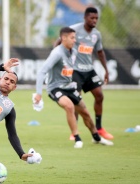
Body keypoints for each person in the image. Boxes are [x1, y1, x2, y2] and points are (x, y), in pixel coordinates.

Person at [34, 27, 113, 149]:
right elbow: (41, 72)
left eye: (75, 37)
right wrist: (38, 93)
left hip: (69, 87)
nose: (74, 40)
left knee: (85, 113)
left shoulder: (74, 51)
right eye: (72, 37)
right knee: (69, 106)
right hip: (55, 88)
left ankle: (96, 137)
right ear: (64, 38)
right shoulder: (57, 53)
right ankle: (77, 138)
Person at [55, 7, 113, 140]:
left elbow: (100, 52)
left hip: (89, 70)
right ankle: (74, 131)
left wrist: (106, 70)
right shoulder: (74, 29)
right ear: (85, 18)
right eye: (92, 18)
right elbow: (59, 42)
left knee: (99, 96)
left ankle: (99, 128)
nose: (94, 20)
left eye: (96, 18)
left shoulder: (96, 34)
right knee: (75, 100)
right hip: (74, 70)